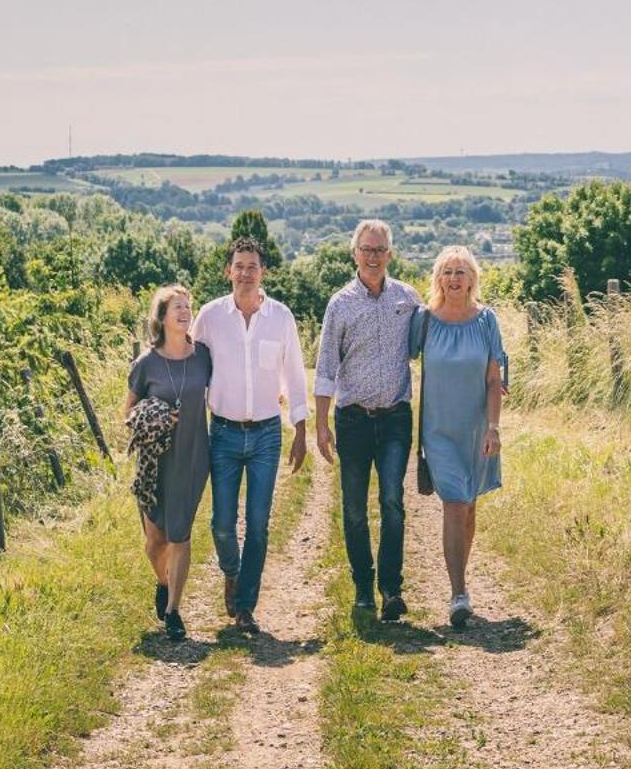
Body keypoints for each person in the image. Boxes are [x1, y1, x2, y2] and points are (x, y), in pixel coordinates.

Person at [192, 237, 310, 634]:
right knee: (222, 523)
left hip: (265, 434)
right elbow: (190, 371)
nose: (245, 273)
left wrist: (300, 428)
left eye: (252, 267)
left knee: (258, 523)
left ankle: (245, 606)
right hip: (222, 433)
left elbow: (294, 374)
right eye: (239, 266)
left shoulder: (281, 317)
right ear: (229, 271)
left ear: (263, 273)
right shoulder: (209, 318)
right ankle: (231, 571)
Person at [313, 219, 420, 620]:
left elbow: (436, 338)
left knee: (392, 502)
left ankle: (391, 589)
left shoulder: (408, 299)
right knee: (355, 508)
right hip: (353, 420)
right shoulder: (339, 305)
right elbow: (325, 366)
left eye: (380, 250)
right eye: (366, 249)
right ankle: (363, 586)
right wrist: (322, 424)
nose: (373, 257)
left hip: (395, 418)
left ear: (389, 254)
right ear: (354, 253)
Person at [411, 245, 506, 630]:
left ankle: (459, 584)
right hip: (438, 430)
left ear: (472, 279)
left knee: (468, 507)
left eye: (460, 272)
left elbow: (494, 378)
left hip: (476, 428)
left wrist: (493, 428)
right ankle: (458, 593)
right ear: (438, 279)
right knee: (454, 503)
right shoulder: (425, 321)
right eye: (447, 272)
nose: (454, 279)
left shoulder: (487, 321)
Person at [124, 284, 213, 642]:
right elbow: (127, 413)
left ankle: (174, 610)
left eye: (188, 306)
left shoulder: (203, 356)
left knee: (180, 535)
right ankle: (162, 582)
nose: (184, 312)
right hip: (155, 462)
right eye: (176, 307)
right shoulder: (146, 363)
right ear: (161, 317)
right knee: (155, 541)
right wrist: (158, 415)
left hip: (192, 456)